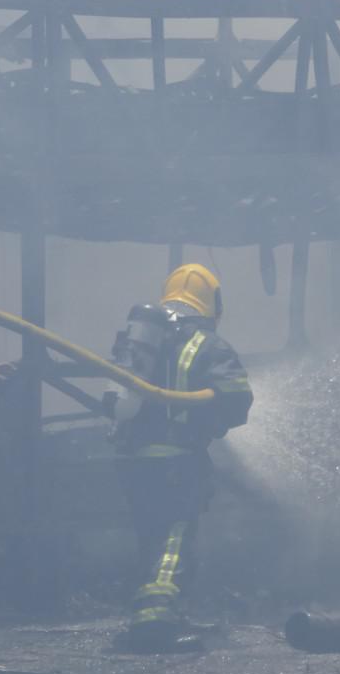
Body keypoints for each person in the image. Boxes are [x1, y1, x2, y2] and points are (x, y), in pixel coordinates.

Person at [104, 263, 253, 654]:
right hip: (177, 461)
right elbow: (237, 399)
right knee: (174, 541)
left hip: (133, 460)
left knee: (150, 538)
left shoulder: (146, 338)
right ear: (211, 302)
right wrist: (211, 418)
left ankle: (148, 614)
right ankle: (155, 622)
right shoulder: (207, 343)